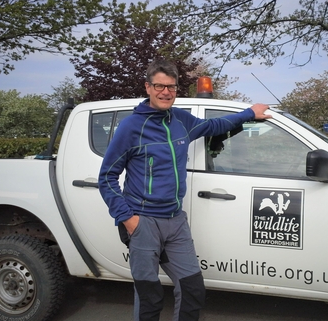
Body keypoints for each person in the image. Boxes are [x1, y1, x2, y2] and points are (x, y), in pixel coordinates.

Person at [98, 59, 271, 321]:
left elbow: (214, 126)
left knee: (192, 290)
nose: (166, 92)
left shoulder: (181, 120)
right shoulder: (131, 127)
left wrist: (249, 113)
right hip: (143, 221)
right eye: (159, 86)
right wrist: (128, 219)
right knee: (149, 298)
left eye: (172, 87)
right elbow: (107, 176)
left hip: (175, 221)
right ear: (148, 87)